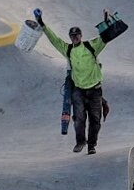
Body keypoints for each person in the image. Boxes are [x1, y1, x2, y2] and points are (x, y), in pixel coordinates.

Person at [34, 8, 117, 154]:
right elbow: (54, 39)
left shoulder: (91, 46)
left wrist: (106, 19)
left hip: (95, 90)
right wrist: (41, 22)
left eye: (77, 35)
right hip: (78, 90)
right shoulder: (68, 49)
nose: (74, 38)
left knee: (95, 120)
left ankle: (92, 145)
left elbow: (105, 37)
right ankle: (80, 142)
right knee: (79, 119)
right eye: (72, 36)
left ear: (81, 35)